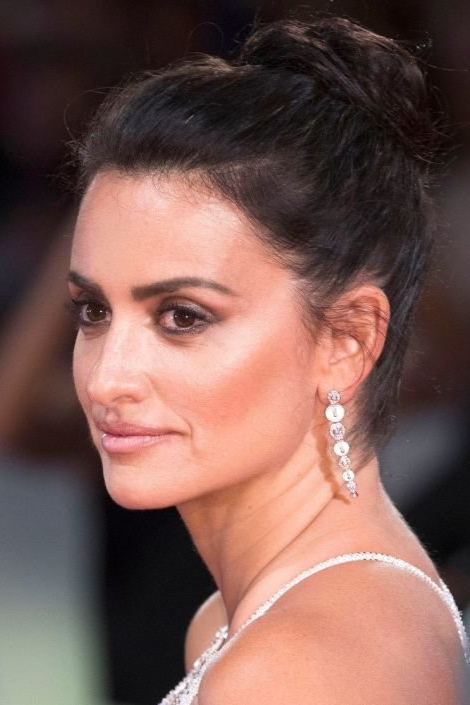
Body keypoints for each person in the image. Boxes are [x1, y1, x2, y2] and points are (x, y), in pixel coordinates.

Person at [67, 16, 469, 704]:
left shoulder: (295, 663)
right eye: (93, 311)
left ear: (346, 339)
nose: (108, 379)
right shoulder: (255, 620)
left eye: (182, 317)